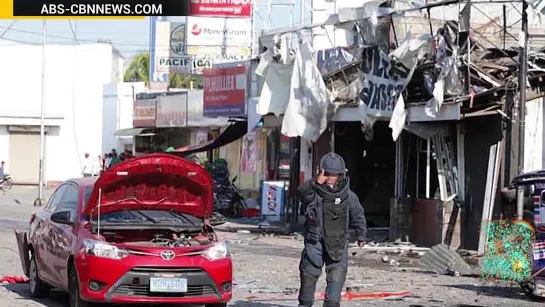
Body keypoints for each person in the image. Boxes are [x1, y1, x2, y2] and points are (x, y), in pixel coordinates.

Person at [296, 152, 367, 307]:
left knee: (336, 277)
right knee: (309, 274)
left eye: (334, 175)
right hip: (315, 241)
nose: (330, 178)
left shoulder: (348, 196)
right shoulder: (313, 193)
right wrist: (315, 182)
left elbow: (358, 214)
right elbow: (301, 194)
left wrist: (361, 235)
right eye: (327, 174)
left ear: (340, 175)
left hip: (338, 243)